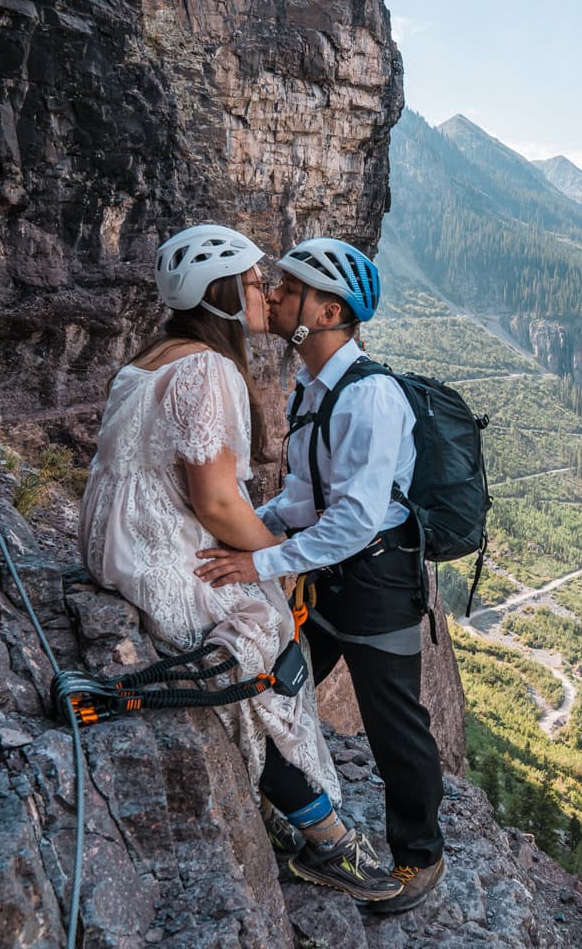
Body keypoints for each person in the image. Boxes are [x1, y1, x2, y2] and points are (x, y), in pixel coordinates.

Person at [78, 224, 402, 903]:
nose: (269, 291)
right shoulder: (208, 368)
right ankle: (326, 840)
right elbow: (219, 503)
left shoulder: (158, 354)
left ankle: (292, 808)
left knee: (262, 634)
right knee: (260, 656)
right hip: (154, 542)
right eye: (256, 282)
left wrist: (268, 552)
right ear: (221, 293)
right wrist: (272, 566)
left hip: (118, 532)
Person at [194, 237, 447, 914]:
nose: (271, 294)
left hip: (376, 582)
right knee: (283, 682)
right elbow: (308, 499)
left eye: (287, 286)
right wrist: (252, 523)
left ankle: (419, 858)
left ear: (326, 310)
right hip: (335, 576)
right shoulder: (314, 384)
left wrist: (261, 559)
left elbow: (358, 518)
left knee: (395, 724)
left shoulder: (371, 398)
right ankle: (295, 803)